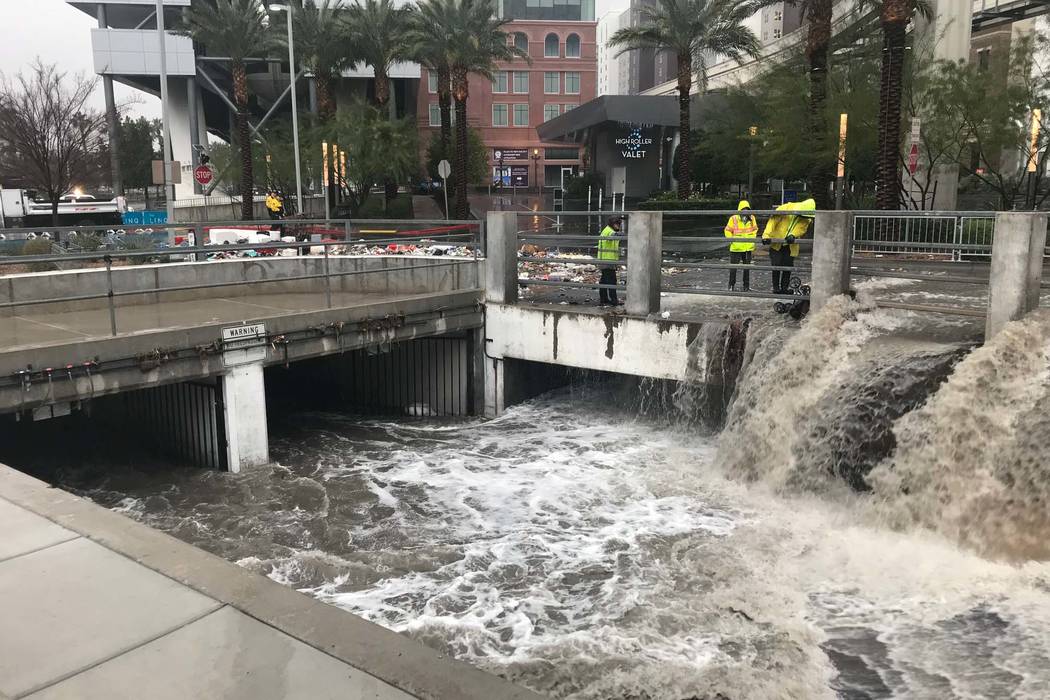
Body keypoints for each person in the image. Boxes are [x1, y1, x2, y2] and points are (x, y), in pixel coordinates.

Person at [762, 198, 816, 295]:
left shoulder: (807, 216)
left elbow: (801, 228)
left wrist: (793, 235)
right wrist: (766, 235)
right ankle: (776, 288)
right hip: (776, 243)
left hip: (790, 246)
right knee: (776, 265)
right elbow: (772, 222)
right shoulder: (786, 208)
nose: (803, 218)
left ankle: (784, 288)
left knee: (787, 267)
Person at [724, 200, 758, 291]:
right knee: (733, 268)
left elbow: (755, 230)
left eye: (747, 209)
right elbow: (727, 230)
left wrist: (752, 240)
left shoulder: (752, 218)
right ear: (740, 209)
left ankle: (746, 286)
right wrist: (732, 240)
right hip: (736, 247)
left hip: (747, 247)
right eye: (743, 209)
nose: (745, 211)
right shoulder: (733, 218)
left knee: (746, 268)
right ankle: (731, 286)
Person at [597, 215, 623, 306]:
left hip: (605, 260)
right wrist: (621, 234)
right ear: (613, 224)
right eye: (617, 224)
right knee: (612, 281)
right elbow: (611, 236)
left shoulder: (607, 230)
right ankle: (614, 300)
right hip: (607, 261)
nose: (619, 226)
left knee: (604, 281)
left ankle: (603, 299)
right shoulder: (609, 231)